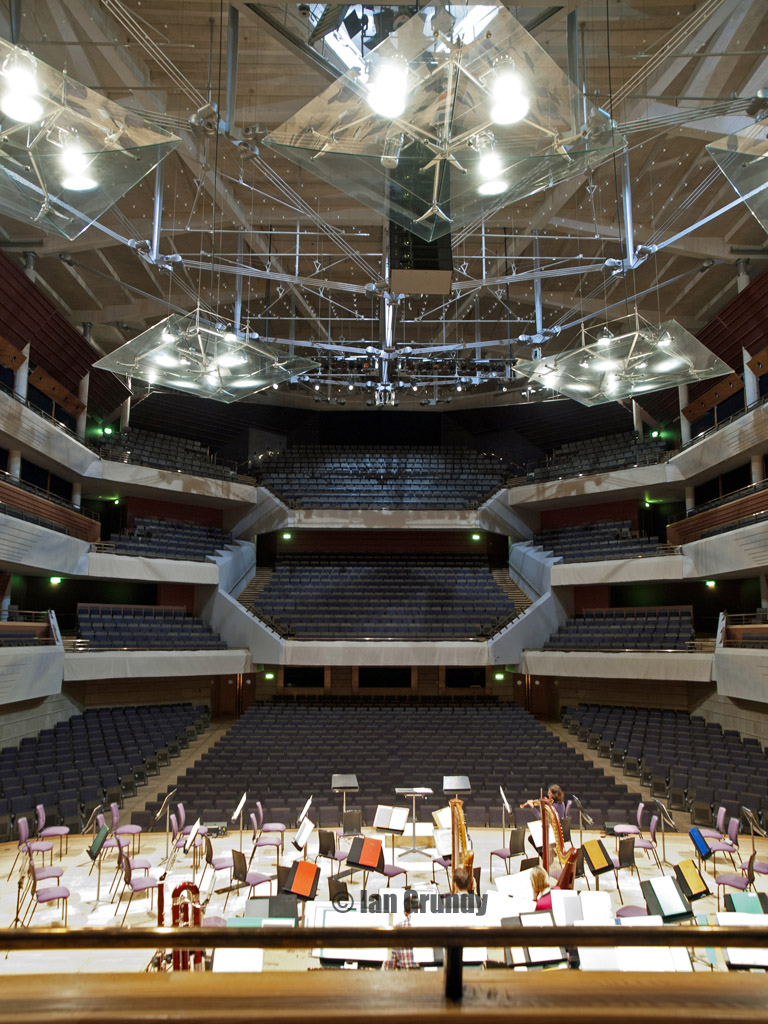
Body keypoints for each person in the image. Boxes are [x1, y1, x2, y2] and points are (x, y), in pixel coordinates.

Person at [383, 890, 420, 970]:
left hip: (407, 979)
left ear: (405, 913)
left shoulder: (397, 929)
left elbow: (389, 966)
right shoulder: (432, 925)